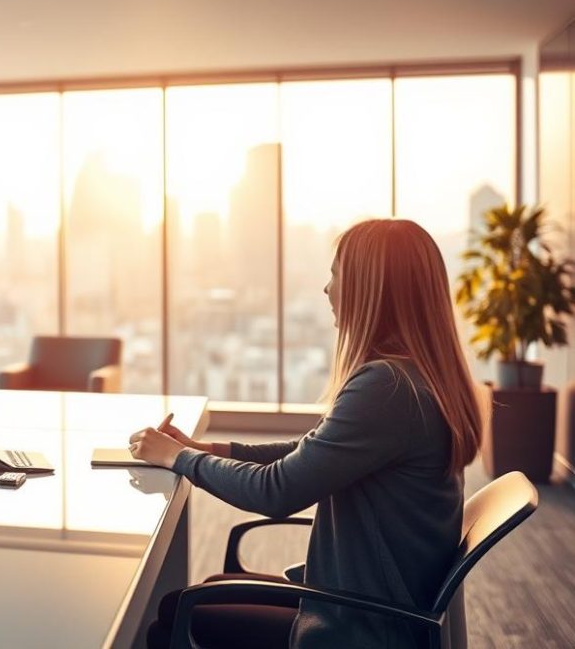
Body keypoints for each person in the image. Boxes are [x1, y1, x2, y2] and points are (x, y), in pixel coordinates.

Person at [132, 219, 482, 648]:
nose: (326, 289)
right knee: (183, 604)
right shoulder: (414, 377)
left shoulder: (387, 388)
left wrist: (178, 459)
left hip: (361, 627)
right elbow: (308, 454)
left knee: (175, 615)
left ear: (369, 288)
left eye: (335, 274)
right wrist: (207, 448)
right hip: (368, 603)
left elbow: (276, 491)